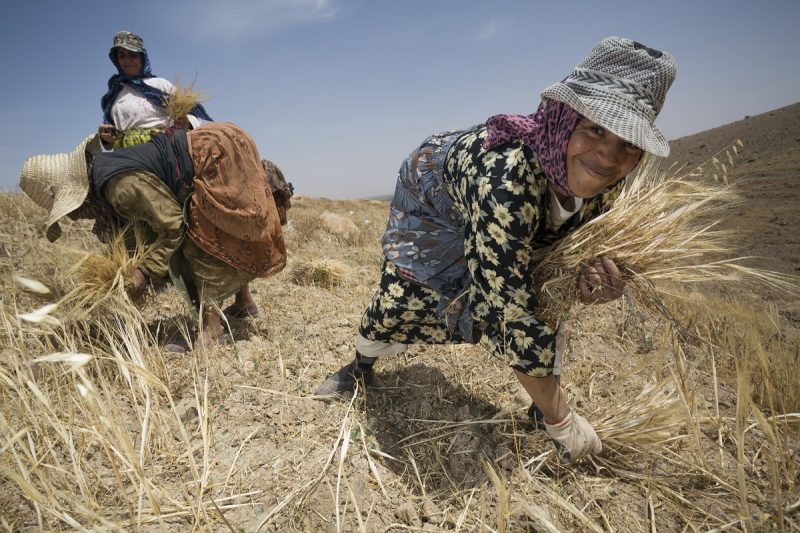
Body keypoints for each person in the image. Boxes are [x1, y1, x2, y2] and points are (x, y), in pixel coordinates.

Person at [315, 36, 677, 464]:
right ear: (564, 120)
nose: (607, 155)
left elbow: (568, 267)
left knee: (540, 292)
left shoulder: (607, 187)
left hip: (500, 209)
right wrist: (561, 419)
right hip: (435, 195)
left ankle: (538, 400)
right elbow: (506, 308)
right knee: (406, 295)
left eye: (627, 144)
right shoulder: (507, 179)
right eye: (595, 128)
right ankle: (360, 365)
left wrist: (594, 279)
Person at [20, 122, 287, 350]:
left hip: (215, 153)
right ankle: (244, 302)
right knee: (215, 227)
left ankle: (213, 329)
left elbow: (173, 225)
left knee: (203, 235)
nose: (73, 217)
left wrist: (144, 273)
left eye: (70, 211)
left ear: (78, 197)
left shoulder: (118, 188)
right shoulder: (104, 171)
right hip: (219, 140)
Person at [98, 31, 213, 149]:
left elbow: (192, 116)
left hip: (162, 151)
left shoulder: (160, 85)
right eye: (122, 56)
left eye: (133, 54)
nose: (127, 60)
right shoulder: (114, 94)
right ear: (116, 60)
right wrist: (106, 138)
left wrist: (186, 122)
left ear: (142, 57)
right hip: (125, 157)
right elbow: (109, 144)